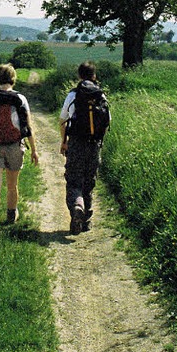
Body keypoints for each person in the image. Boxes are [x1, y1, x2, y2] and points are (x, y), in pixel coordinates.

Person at [0, 64, 39, 235]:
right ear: (14, 78)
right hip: (15, 145)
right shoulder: (20, 99)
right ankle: (12, 215)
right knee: (12, 185)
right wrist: (34, 150)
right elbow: (28, 127)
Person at [59, 61, 110, 235]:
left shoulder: (73, 95)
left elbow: (62, 120)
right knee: (89, 182)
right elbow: (107, 121)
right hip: (94, 145)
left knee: (74, 180)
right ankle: (86, 221)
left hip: (76, 143)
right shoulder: (101, 96)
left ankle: (77, 207)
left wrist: (64, 141)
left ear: (79, 76)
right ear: (94, 76)